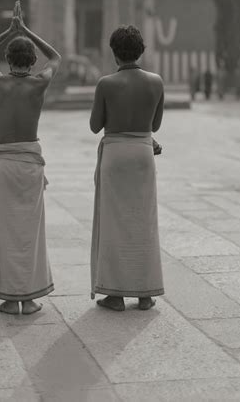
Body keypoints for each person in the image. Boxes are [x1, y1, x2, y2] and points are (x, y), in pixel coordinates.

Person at [0, 1, 60, 315]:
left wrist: (8, 32)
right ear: (32, 61)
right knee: (30, 232)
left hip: (4, 165)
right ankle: (31, 296)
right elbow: (56, 57)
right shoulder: (39, 83)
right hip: (30, 164)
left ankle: (10, 299)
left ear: (7, 59)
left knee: (6, 231)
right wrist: (27, 31)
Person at [90, 25, 164, 311]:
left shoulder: (106, 84)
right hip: (143, 152)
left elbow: (95, 125)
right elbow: (155, 126)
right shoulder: (156, 81)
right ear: (141, 50)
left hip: (116, 154)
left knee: (114, 222)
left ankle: (116, 295)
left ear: (114, 52)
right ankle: (145, 294)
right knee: (144, 222)